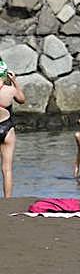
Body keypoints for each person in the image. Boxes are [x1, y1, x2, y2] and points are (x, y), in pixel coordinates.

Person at [0, 65, 26, 198]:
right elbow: (22, 99)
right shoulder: (9, 90)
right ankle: (7, 200)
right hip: (7, 128)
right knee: (7, 169)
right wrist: (15, 81)